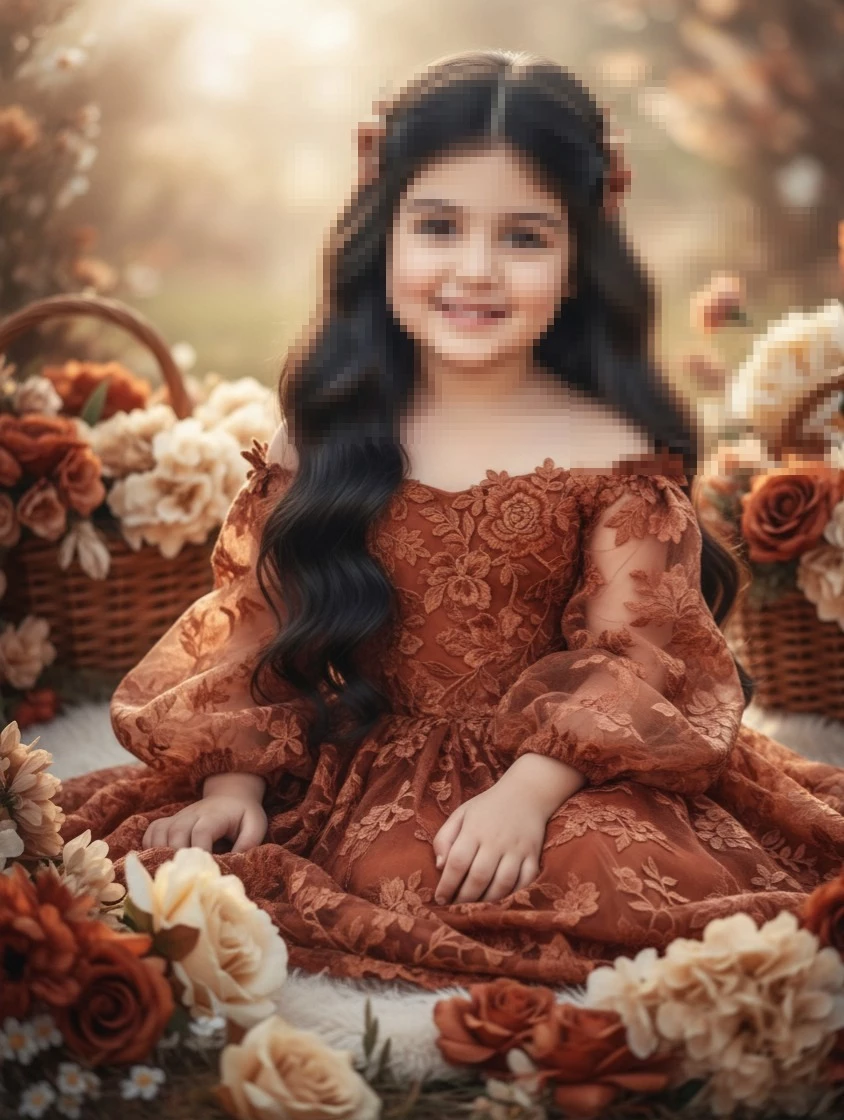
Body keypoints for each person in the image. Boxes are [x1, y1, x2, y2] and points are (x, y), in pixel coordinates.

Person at [57, 49, 844, 993]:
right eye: (438, 227)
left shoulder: (611, 445)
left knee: (598, 877)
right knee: (339, 867)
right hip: (372, 744)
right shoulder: (329, 431)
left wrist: (529, 789)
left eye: (523, 237)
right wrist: (234, 784)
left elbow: (639, 654)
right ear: (383, 232)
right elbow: (260, 619)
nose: (474, 271)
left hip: (571, 764)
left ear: (579, 256)